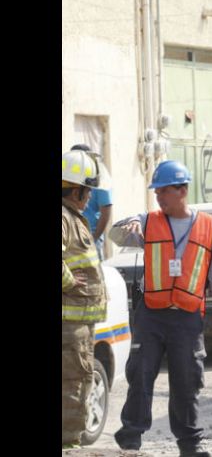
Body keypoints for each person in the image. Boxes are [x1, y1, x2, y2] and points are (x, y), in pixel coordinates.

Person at [109, 160, 212, 457]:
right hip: (152, 314)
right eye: (156, 193)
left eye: (163, 192)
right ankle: (131, 439)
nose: (158, 198)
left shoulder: (207, 226)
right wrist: (129, 225)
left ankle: (190, 445)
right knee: (140, 374)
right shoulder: (148, 221)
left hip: (187, 317)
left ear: (182, 190)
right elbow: (115, 235)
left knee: (186, 381)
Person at [62, 149, 110, 448]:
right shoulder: (65, 218)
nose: (91, 197)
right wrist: (67, 280)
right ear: (76, 189)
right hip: (69, 325)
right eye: (88, 190)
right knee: (72, 386)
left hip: (77, 323)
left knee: (77, 383)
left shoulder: (72, 217)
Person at [70, 144, 113, 261]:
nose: (89, 196)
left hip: (90, 236)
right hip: (71, 236)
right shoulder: (69, 176)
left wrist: (94, 238)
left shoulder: (99, 178)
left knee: (92, 275)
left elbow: (106, 211)